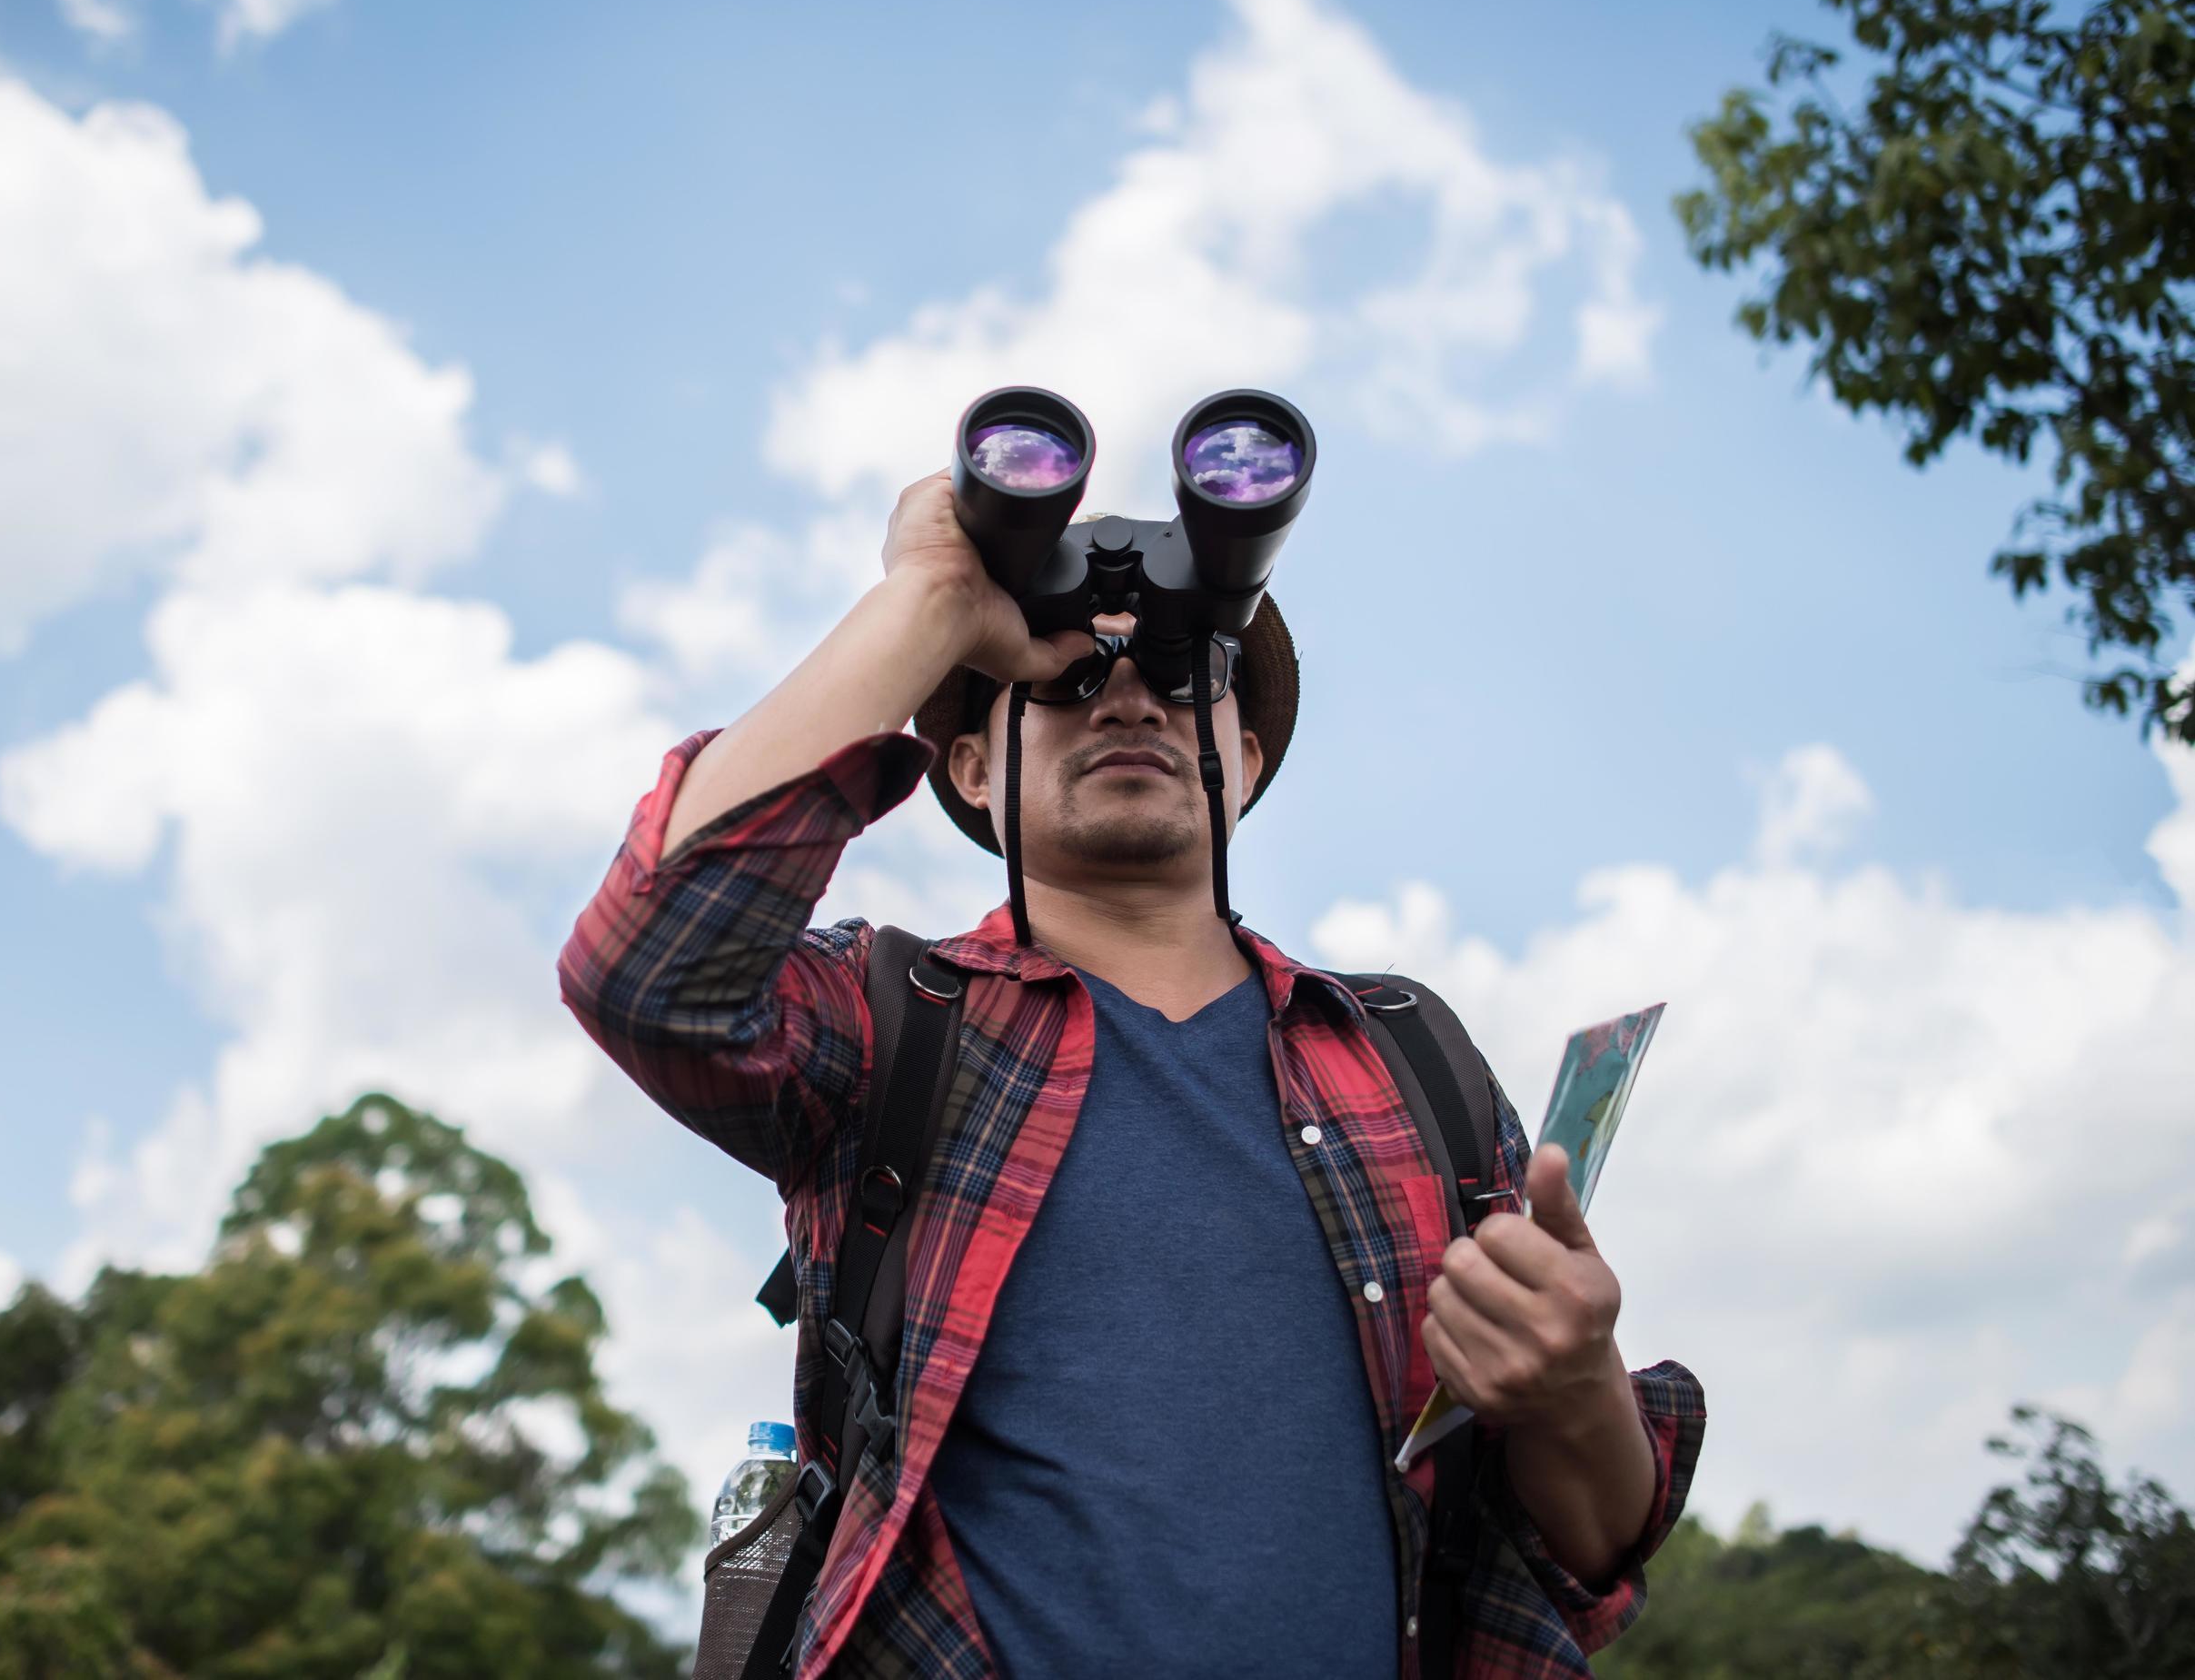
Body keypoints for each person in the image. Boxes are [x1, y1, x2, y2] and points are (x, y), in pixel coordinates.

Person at [559, 469, 1706, 1678]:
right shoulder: (889, 1020)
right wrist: (933, 595)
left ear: (1244, 759)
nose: (1125, 701)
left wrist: (1576, 1381)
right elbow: (647, 975)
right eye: (1058, 677)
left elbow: (1586, 1543)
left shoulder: (1410, 1056)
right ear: (966, 769)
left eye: (1179, 669)